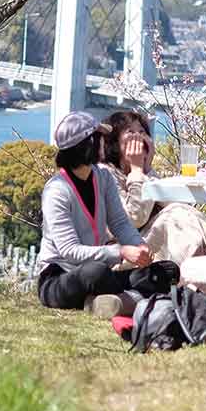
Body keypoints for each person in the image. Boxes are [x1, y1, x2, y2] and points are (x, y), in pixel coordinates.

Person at [35, 111, 153, 314]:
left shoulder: (103, 177)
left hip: (100, 270)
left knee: (166, 271)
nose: (104, 143)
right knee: (95, 272)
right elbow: (69, 251)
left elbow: (119, 222)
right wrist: (121, 251)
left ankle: (108, 303)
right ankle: (131, 301)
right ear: (89, 143)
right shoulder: (56, 190)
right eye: (99, 137)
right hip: (60, 278)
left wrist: (139, 245)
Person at [96, 108, 206, 263]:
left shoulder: (140, 172)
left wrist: (147, 170)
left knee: (180, 212)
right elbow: (133, 219)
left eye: (142, 132)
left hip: (144, 245)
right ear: (114, 142)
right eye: (130, 132)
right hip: (124, 254)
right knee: (174, 216)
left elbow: (174, 204)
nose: (138, 136)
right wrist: (138, 170)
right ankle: (190, 277)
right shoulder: (105, 174)